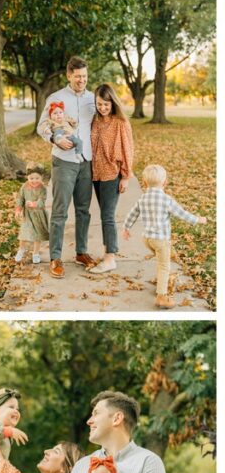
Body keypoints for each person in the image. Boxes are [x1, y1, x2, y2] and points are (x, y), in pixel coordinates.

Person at [36, 56, 98, 279]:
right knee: (60, 211)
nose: (82, 80)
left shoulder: (93, 99)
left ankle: (81, 253)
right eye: (78, 76)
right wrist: (54, 138)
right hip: (63, 161)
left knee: (84, 211)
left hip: (86, 161)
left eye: (84, 76)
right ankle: (55, 258)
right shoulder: (56, 98)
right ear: (69, 75)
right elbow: (42, 125)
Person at [122, 164, 207, 309]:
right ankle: (161, 296)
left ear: (144, 182)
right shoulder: (166, 199)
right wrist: (198, 219)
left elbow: (132, 214)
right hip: (160, 240)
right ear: (165, 182)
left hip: (147, 239)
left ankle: (161, 283)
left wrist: (126, 228)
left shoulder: (143, 198)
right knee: (164, 266)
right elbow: (182, 214)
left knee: (161, 262)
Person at [87, 83, 134, 274]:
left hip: (112, 174)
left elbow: (128, 150)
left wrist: (126, 176)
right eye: (99, 104)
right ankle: (108, 253)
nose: (103, 108)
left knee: (107, 216)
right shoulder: (95, 120)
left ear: (112, 103)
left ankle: (110, 258)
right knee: (104, 214)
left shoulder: (120, 122)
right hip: (95, 174)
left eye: (106, 104)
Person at [13, 164, 49, 264]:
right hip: (27, 214)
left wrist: (34, 204)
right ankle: (21, 250)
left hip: (38, 214)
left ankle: (36, 253)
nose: (34, 180)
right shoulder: (24, 187)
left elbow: (42, 201)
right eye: (31, 178)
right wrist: (18, 209)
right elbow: (20, 198)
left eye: (37, 178)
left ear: (41, 177)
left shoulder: (42, 189)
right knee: (24, 233)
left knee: (38, 235)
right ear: (27, 177)